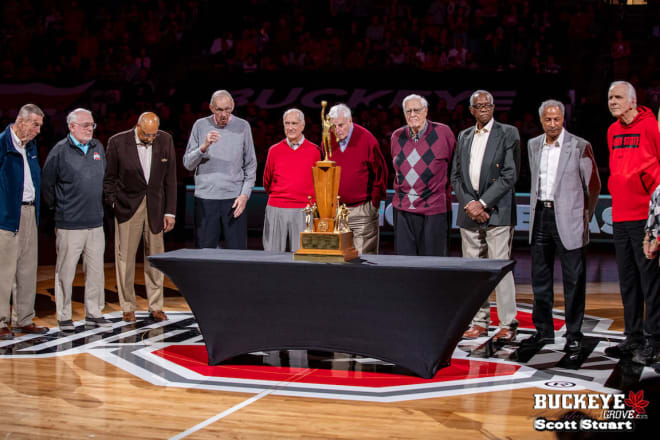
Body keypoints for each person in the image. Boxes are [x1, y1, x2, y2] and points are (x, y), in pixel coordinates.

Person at [520, 100, 601, 352]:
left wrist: (585, 215)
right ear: (541, 120)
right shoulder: (533, 145)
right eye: (548, 119)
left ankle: (574, 333)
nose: (552, 124)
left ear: (563, 119)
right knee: (540, 279)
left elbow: (594, 185)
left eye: (557, 119)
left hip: (570, 219)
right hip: (540, 217)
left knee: (574, 280)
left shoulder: (579, 145)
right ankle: (543, 331)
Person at [451, 90, 521, 342]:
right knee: (474, 271)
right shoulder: (464, 135)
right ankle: (479, 321)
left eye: (487, 105)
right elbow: (455, 176)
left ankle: (507, 323)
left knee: (499, 268)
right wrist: (470, 203)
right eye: (478, 106)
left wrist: (483, 203)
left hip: (497, 211)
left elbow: (510, 175)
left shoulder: (508, 133)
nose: (483, 108)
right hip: (470, 212)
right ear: (471, 110)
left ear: (493, 107)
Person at [604, 81, 660, 365]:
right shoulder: (612, 130)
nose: (612, 101)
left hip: (645, 217)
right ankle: (633, 337)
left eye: (618, 97)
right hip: (620, 216)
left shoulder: (652, 126)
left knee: (650, 282)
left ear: (632, 101)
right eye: (610, 97)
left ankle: (654, 340)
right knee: (628, 281)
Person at [41, 108, 111, 331]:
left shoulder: (97, 147)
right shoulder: (59, 151)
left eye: (92, 125)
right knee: (66, 271)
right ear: (71, 127)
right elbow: (47, 185)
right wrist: (59, 208)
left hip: (95, 223)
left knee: (96, 271)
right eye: (85, 125)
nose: (90, 129)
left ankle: (94, 313)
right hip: (69, 223)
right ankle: (64, 315)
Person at [104, 112, 177, 323]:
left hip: (155, 208)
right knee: (125, 259)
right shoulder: (117, 142)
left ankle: (156, 306)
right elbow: (109, 179)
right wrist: (114, 204)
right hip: (127, 207)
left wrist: (169, 211)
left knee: (155, 258)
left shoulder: (165, 139)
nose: (151, 139)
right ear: (137, 127)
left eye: (154, 135)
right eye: (147, 135)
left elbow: (170, 179)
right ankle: (127, 306)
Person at [183, 90, 257, 249]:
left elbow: (250, 165)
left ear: (233, 106)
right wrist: (203, 147)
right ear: (211, 108)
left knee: (237, 255)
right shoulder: (200, 125)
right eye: (219, 110)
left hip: (234, 200)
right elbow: (188, 164)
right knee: (204, 255)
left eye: (228, 109)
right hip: (205, 200)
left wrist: (244, 195)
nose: (224, 114)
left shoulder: (243, 126)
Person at [0, 104, 48, 339]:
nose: (38, 130)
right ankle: (0, 322)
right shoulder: (2, 144)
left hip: (30, 213)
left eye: (40, 125)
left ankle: (23, 318)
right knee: (3, 271)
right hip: (6, 216)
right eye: (35, 124)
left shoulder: (31, 147)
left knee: (27, 270)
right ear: (21, 121)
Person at [391, 94, 455, 256]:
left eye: (417, 110)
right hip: (403, 209)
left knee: (434, 266)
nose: (412, 114)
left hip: (434, 210)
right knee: (405, 266)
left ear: (426, 111)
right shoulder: (396, 137)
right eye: (408, 111)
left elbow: (456, 168)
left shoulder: (443, 133)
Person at [327, 104, 388, 254]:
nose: (337, 130)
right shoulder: (327, 139)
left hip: (363, 209)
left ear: (350, 121)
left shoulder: (367, 139)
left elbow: (381, 173)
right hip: (337, 210)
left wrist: (373, 204)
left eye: (340, 125)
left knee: (365, 260)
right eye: (333, 126)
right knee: (338, 258)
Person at [262, 109, 320, 252]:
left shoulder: (315, 151)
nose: (290, 127)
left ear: (303, 125)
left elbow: (320, 182)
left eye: (294, 123)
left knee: (304, 257)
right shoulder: (274, 150)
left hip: (304, 210)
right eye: (287, 123)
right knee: (272, 256)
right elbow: (267, 181)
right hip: (276, 207)